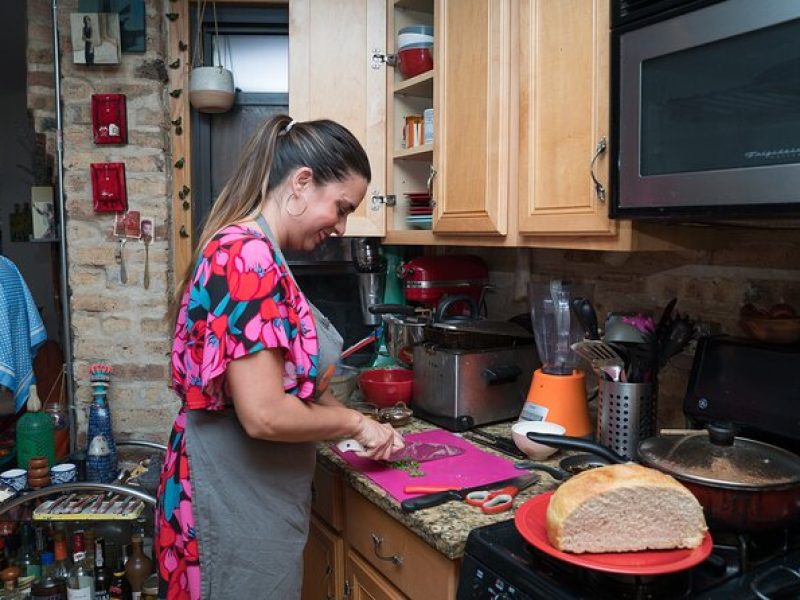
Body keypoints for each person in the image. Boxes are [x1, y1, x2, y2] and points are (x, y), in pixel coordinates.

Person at [155, 114, 404, 600]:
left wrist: (361, 421)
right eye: (341, 207)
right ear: (302, 182)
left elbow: (295, 385)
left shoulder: (257, 252)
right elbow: (265, 414)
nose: (342, 225)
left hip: (249, 489)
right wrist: (355, 424)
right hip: (232, 495)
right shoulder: (247, 255)